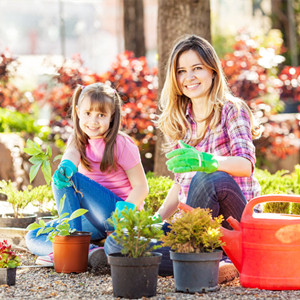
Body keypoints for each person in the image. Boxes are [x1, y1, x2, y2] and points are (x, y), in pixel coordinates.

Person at [104, 35, 261, 282]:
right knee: (117, 242)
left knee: (210, 178)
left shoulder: (232, 109)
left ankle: (218, 256)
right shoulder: (181, 121)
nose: (189, 77)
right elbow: (180, 185)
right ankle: (210, 259)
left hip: (234, 221)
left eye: (197, 68)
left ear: (212, 71)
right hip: (194, 225)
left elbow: (246, 165)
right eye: (181, 71)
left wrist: (208, 161)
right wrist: (155, 221)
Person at [26, 82, 149, 268]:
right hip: (91, 218)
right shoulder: (78, 138)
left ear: (112, 116)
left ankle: (71, 245)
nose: (93, 121)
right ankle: (89, 251)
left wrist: (127, 208)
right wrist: (65, 166)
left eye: (101, 115)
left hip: (118, 214)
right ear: (77, 111)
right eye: (87, 114)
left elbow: (142, 187)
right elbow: (71, 155)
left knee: (70, 178)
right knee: (34, 234)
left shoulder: (121, 144)